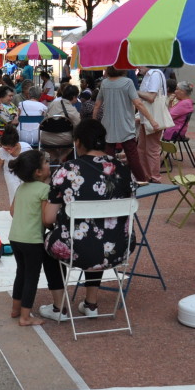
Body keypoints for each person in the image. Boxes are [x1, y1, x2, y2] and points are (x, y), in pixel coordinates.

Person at [44, 119, 137, 319]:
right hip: (119, 248)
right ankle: (91, 303)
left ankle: (59, 307)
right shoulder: (123, 169)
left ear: (77, 142)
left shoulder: (68, 170)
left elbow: (48, 218)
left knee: (50, 241)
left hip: (78, 249)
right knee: (100, 234)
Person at [7, 150, 66, 326]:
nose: (49, 165)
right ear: (38, 172)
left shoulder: (21, 188)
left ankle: (15, 309)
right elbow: (45, 219)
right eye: (46, 163)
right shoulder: (45, 189)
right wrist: (50, 227)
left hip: (15, 237)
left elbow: (12, 211)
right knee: (32, 277)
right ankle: (25, 317)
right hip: (32, 240)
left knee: (21, 273)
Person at [93, 65, 155, 184]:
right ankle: (141, 179)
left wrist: (94, 121)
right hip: (125, 123)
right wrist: (152, 120)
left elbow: (97, 105)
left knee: (108, 155)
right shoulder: (128, 82)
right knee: (132, 155)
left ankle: (108, 181)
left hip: (108, 124)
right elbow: (138, 103)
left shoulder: (104, 83)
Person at [135, 65, 172, 183]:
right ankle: (146, 176)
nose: (137, 67)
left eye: (139, 64)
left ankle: (154, 177)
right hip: (145, 117)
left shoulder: (155, 75)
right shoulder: (149, 75)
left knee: (151, 149)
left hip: (151, 118)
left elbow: (151, 97)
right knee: (142, 148)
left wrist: (135, 92)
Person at [0, 123, 31, 206]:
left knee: (27, 194)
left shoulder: (26, 148)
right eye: (5, 148)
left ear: (16, 144)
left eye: (9, 148)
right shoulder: (3, 150)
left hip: (25, 172)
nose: (7, 150)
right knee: (14, 193)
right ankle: (15, 214)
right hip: (10, 172)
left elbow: (33, 162)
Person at [39, 84, 81, 161]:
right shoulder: (71, 109)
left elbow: (45, 118)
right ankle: (60, 159)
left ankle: (55, 160)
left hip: (46, 139)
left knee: (52, 148)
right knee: (75, 142)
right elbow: (79, 125)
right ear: (74, 97)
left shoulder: (53, 103)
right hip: (65, 140)